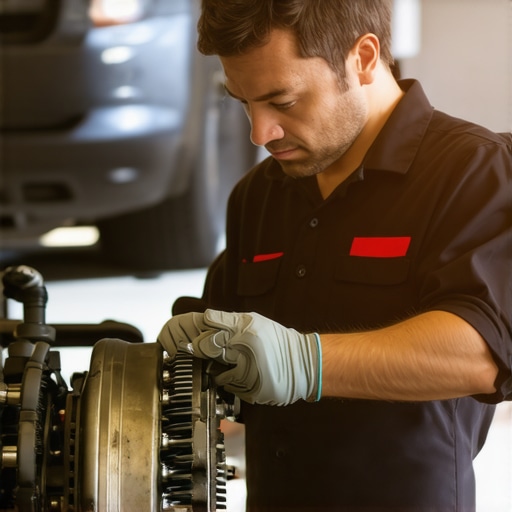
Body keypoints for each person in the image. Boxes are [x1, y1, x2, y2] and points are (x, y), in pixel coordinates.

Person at [158, 1, 512, 510]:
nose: (261, 133)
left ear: (363, 57)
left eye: (282, 101)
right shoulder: (258, 194)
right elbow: (232, 364)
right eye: (244, 102)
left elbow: (483, 352)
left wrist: (306, 363)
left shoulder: (473, 172)